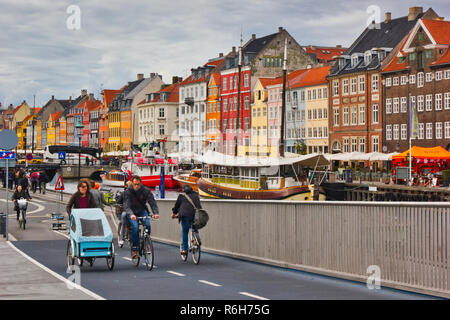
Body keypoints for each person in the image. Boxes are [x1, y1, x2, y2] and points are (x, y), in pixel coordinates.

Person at [123, 175, 159, 258]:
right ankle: (134, 249)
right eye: (135, 184)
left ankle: (146, 242)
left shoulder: (145, 190)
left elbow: (152, 202)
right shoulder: (128, 192)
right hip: (132, 211)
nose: (136, 186)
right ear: (132, 183)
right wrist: (131, 214)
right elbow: (126, 205)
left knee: (148, 225)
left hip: (142, 210)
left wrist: (155, 212)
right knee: (135, 227)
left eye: (138, 184)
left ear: (140, 183)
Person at [171, 184, 202, 255]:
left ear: (184, 190)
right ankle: (197, 238)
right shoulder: (196, 195)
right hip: (196, 215)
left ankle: (185, 250)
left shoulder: (181, 196)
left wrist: (173, 214)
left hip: (185, 216)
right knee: (195, 226)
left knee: (185, 232)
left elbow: (176, 207)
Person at [116, 181, 133, 246]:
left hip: (126, 211)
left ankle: (122, 238)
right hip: (135, 211)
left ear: (126, 186)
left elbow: (119, 201)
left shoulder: (124, 193)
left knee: (123, 222)